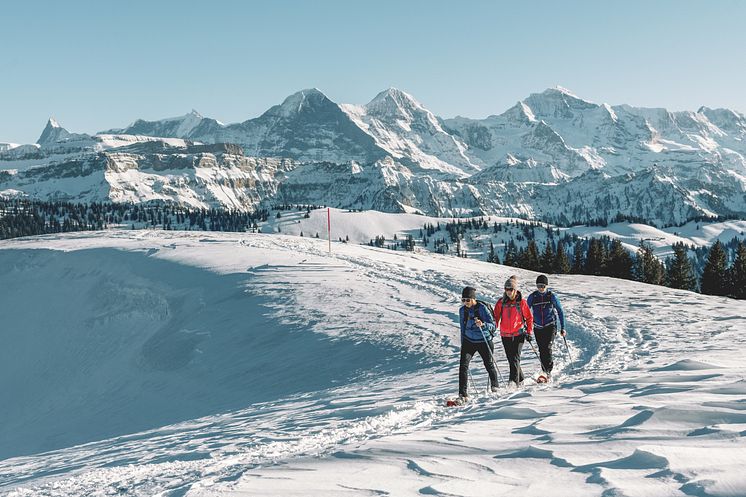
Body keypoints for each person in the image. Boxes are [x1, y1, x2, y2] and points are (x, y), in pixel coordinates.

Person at [457, 286, 499, 403]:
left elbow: (494, 326)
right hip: (468, 341)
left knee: (489, 364)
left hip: (483, 340)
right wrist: (462, 342)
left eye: (467, 300)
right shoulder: (462, 311)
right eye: (463, 300)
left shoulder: (482, 308)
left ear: (473, 299)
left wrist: (483, 324)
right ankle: (462, 393)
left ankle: (495, 387)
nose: (465, 303)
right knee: (463, 366)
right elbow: (462, 327)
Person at [494, 278, 533, 386]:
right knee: (512, 360)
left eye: (511, 289)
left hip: (518, 334)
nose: (508, 291)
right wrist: (492, 329)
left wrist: (529, 332)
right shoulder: (500, 302)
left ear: (515, 290)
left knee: (515, 358)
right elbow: (496, 317)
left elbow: (529, 318)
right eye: (506, 289)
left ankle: (513, 384)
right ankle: (521, 380)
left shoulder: (522, 303)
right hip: (505, 335)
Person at [526, 275, 566, 380]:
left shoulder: (551, 296)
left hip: (550, 325)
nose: (541, 288)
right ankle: (544, 370)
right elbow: (525, 311)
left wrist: (563, 327)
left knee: (547, 347)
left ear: (546, 286)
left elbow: (560, 311)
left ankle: (548, 371)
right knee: (541, 349)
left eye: (543, 286)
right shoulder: (533, 297)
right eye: (539, 286)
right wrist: (525, 326)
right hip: (538, 327)